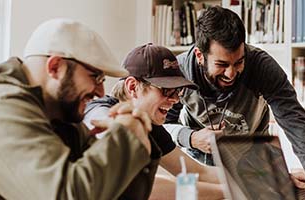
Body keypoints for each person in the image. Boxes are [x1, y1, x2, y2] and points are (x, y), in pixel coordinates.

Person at [0, 18, 158, 199]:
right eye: (95, 77)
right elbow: (67, 194)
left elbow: (115, 194)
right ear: (55, 67)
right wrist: (125, 136)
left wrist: (138, 139)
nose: (101, 92)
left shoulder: (56, 116)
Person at [163, 6, 305, 188]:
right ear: (200, 55)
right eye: (221, 64)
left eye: (238, 62)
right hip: (201, 171)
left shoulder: (262, 66)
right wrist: (191, 138)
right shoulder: (181, 71)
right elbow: (162, 126)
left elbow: (295, 121)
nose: (231, 73)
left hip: (254, 167)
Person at [83, 43, 223, 199]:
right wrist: (226, 192)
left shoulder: (150, 125)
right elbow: (141, 185)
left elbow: (198, 172)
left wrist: (247, 180)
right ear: (132, 87)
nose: (175, 99)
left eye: (177, 91)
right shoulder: (99, 111)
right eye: (166, 90)